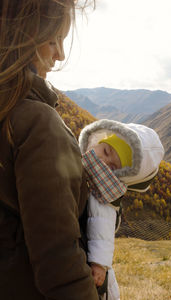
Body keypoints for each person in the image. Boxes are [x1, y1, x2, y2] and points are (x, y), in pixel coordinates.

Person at [0, 1, 99, 300]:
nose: (60, 54)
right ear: (21, 37)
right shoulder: (39, 123)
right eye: (52, 39)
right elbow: (59, 264)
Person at [79, 119, 165, 299]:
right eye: (106, 151)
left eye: (112, 167)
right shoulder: (80, 160)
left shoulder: (102, 195)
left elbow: (102, 229)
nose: (103, 161)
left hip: (88, 262)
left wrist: (99, 264)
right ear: (100, 142)